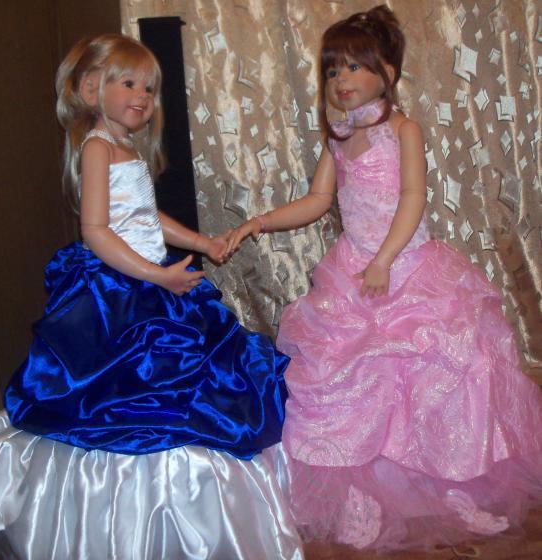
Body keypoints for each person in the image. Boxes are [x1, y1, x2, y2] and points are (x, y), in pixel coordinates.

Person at [0, 34, 303, 560]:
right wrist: (156, 277)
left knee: (182, 388)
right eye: (129, 83)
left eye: (149, 88)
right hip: (119, 293)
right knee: (127, 399)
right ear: (91, 89)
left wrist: (201, 243)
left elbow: (146, 217)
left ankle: (181, 513)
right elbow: (96, 231)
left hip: (147, 279)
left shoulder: (125, 147)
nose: (142, 96)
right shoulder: (96, 146)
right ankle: (123, 521)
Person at [227, 5, 542, 553]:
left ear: (387, 73)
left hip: (409, 265)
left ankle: (454, 484)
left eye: (354, 66)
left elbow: (413, 198)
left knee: (446, 370)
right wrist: (259, 221)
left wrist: (386, 260)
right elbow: (318, 200)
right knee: (348, 379)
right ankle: (360, 490)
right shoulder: (338, 136)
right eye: (332, 69)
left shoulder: (403, 129)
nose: (340, 79)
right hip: (354, 272)